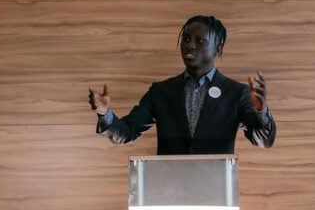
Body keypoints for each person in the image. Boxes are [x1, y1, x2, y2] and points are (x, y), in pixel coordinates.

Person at [88, 15, 276, 154]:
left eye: (200, 41)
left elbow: (263, 141)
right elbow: (126, 132)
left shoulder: (236, 93)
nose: (190, 45)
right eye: (186, 39)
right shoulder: (161, 92)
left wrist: (262, 112)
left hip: (216, 189)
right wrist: (105, 113)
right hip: (170, 189)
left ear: (217, 49)